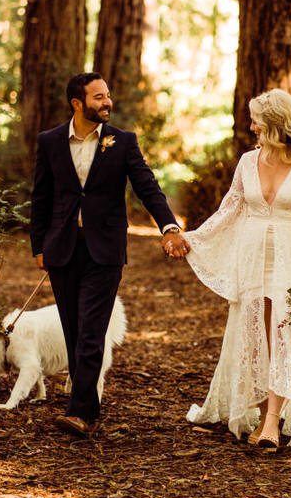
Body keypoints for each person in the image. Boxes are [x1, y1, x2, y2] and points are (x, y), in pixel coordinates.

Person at [181, 88, 291, 450]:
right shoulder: (246, 162)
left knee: (285, 336)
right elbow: (228, 210)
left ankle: (272, 421)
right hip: (252, 260)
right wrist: (191, 238)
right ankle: (256, 408)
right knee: (255, 333)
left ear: (274, 124)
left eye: (256, 120)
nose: (251, 126)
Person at [30, 71, 187, 438]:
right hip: (62, 249)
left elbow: (147, 186)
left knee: (92, 330)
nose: (107, 102)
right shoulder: (50, 141)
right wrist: (39, 246)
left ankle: (81, 411)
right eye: (98, 97)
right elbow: (41, 197)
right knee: (73, 328)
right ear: (77, 103)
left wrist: (170, 226)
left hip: (105, 249)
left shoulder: (123, 141)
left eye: (108, 96)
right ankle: (86, 397)